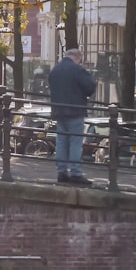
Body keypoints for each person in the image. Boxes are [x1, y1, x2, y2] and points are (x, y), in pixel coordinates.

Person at [48, 48, 96, 186]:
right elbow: (90, 87)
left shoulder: (55, 70)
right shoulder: (77, 70)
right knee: (75, 143)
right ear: (77, 58)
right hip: (75, 111)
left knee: (61, 142)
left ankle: (61, 172)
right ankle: (76, 173)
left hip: (58, 111)